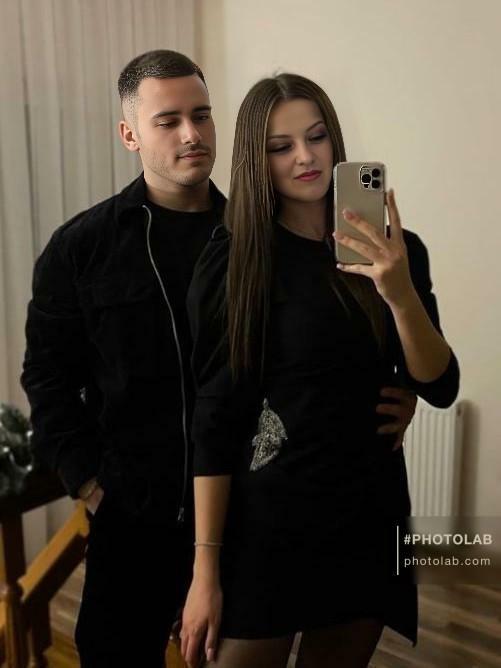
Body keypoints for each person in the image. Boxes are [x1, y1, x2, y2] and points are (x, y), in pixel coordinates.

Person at [180, 73, 460, 668]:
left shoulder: (396, 249)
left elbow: (439, 384)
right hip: (269, 522)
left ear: (335, 140)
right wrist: (205, 571)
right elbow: (215, 421)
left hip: (365, 512)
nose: (305, 157)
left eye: (316, 137)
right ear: (257, 160)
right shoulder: (236, 260)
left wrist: (399, 292)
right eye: (281, 147)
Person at [21, 49, 223, 667]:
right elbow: (47, 378)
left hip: (244, 517)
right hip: (132, 521)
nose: (191, 134)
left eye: (201, 115)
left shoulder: (254, 237)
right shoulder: (80, 248)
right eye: (168, 120)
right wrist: (89, 483)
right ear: (130, 134)